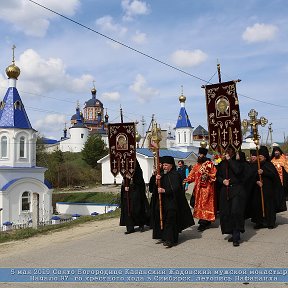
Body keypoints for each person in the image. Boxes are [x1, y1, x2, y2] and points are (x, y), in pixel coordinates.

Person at [155, 156, 194, 248]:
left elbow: (176, 188)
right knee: (166, 220)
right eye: (163, 165)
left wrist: (165, 191)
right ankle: (168, 237)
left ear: (171, 166)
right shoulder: (161, 174)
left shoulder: (176, 175)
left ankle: (170, 240)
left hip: (173, 201)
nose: (163, 167)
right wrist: (156, 180)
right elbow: (155, 188)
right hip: (164, 202)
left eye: (166, 165)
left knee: (170, 220)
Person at [216, 145, 246, 247]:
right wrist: (223, 181)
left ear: (233, 151)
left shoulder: (239, 162)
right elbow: (218, 176)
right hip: (225, 190)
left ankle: (236, 237)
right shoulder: (221, 163)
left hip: (236, 189)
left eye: (229, 150)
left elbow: (237, 171)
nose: (227, 152)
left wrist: (229, 160)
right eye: (226, 150)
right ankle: (232, 233)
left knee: (235, 212)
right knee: (226, 212)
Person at [251, 146, 287, 230]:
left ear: (265, 157)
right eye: (258, 156)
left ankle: (270, 222)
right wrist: (257, 181)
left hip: (268, 189)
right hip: (258, 189)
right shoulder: (256, 164)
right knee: (258, 205)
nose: (259, 158)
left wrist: (264, 172)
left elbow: (274, 176)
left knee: (269, 205)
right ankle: (259, 222)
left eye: (261, 157)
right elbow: (251, 176)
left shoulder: (269, 164)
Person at [184, 146, 217, 232]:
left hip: (207, 189)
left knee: (205, 205)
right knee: (194, 203)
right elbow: (191, 176)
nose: (199, 156)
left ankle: (203, 222)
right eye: (199, 154)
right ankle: (205, 220)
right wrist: (186, 180)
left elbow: (214, 175)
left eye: (201, 154)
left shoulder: (209, 164)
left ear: (205, 155)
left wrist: (207, 175)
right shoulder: (196, 166)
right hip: (197, 189)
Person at [120, 160, 149, 234]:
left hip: (136, 192)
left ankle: (141, 224)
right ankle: (130, 227)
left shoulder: (138, 170)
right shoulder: (124, 168)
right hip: (127, 192)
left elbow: (139, 181)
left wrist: (132, 179)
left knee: (136, 209)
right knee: (127, 209)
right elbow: (123, 177)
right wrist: (125, 185)